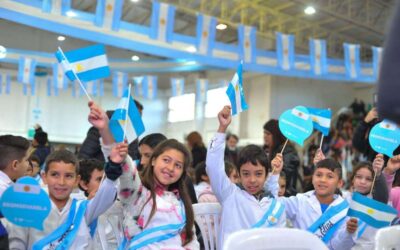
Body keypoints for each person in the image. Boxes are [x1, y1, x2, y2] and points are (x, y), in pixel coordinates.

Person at [88, 101, 199, 249]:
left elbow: (191, 243)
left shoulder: (182, 204)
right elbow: (121, 160)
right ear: (153, 160)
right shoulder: (138, 194)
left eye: (178, 165)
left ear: (183, 172)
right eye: (166, 160)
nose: (171, 168)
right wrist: (105, 129)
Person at [7, 147, 124, 249]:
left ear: (77, 180)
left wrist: (113, 167)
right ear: (44, 177)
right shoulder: (30, 208)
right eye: (54, 175)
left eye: (68, 176)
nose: (61, 182)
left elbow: (107, 196)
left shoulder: (83, 210)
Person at [206, 106, 286, 249]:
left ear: (266, 174)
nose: (252, 180)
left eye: (258, 173)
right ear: (238, 174)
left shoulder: (272, 202)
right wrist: (222, 128)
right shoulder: (229, 194)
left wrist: (275, 175)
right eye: (246, 174)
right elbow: (213, 167)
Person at [271, 151, 358, 249]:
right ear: (312, 179)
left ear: (340, 183)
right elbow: (272, 205)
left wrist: (348, 232)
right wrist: (275, 174)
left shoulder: (345, 210)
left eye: (329, 176)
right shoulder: (300, 201)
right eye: (319, 175)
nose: (323, 180)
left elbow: (339, 247)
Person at [138, 133, 198, 204]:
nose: (142, 161)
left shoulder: (183, 185)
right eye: (166, 160)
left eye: (148, 155)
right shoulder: (138, 186)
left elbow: (193, 208)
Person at [342, 155, 386, 250]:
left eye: (368, 179)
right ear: (352, 179)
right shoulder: (343, 198)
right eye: (358, 177)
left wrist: (378, 173)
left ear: (374, 182)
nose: (363, 182)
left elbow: (383, 194)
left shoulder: (376, 202)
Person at [78, 100, 144, 162]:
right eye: (135, 117)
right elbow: (84, 155)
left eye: (139, 118)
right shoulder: (101, 127)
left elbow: (133, 159)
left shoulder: (133, 135)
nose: (137, 122)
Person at [0, 135, 30, 249]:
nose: (28, 165)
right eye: (27, 160)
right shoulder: (5, 192)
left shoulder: (9, 186)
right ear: (15, 164)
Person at [263, 119, 300, 195]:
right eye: (264, 133)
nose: (264, 136)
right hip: (273, 193)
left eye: (268, 134)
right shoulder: (270, 150)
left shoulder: (287, 152)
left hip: (285, 195)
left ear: (276, 135)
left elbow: (284, 178)